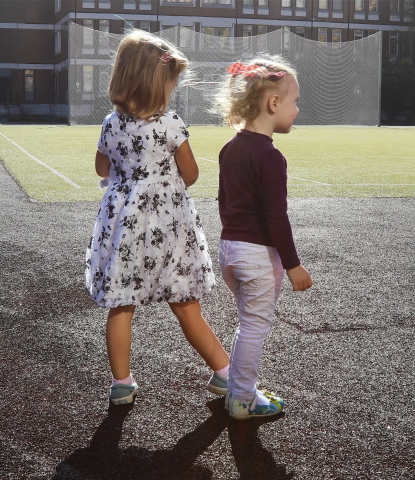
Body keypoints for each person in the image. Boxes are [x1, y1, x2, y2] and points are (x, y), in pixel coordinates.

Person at [85, 30, 230, 406]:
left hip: (124, 224)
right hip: (167, 224)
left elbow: (101, 168)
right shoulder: (170, 124)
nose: (173, 90)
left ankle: (121, 384)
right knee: (185, 302)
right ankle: (225, 373)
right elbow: (191, 174)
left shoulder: (110, 123)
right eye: (171, 83)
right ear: (156, 84)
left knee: (121, 305)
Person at [212, 57, 313, 420]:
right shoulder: (270, 157)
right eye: (294, 102)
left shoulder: (230, 148)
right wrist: (293, 265)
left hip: (229, 250)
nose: (297, 109)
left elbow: (224, 201)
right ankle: (242, 399)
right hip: (257, 256)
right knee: (254, 326)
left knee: (247, 323)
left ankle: (240, 389)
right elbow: (276, 217)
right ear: (273, 103)